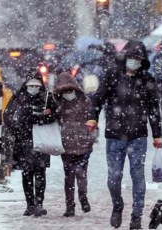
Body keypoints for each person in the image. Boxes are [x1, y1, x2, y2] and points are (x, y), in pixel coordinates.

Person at [86, 40, 162, 229]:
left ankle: (136, 216)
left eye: (138, 59)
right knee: (114, 177)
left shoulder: (147, 80)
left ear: (142, 60)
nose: (134, 61)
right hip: (114, 134)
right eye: (131, 58)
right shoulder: (112, 75)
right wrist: (92, 118)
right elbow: (98, 98)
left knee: (137, 176)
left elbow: (153, 109)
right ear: (125, 57)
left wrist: (157, 134)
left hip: (138, 135)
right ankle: (117, 204)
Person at [3, 74, 57, 217]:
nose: (33, 89)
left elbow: (56, 114)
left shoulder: (46, 98)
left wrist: (43, 118)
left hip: (41, 139)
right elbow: (7, 114)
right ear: (25, 86)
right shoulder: (19, 97)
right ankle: (30, 205)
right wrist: (16, 128)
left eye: (36, 86)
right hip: (23, 140)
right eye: (30, 86)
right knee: (27, 173)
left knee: (40, 171)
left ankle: (39, 204)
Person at [53, 72, 96, 217]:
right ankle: (70, 206)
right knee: (69, 177)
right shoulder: (58, 104)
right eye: (64, 91)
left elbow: (93, 121)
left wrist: (91, 138)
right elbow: (53, 119)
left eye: (70, 90)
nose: (68, 94)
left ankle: (83, 199)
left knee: (81, 174)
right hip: (66, 145)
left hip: (84, 144)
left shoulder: (85, 101)